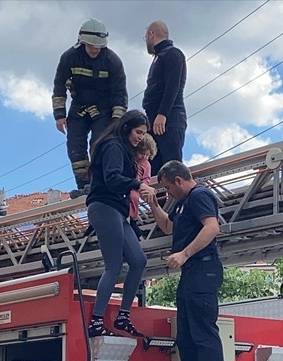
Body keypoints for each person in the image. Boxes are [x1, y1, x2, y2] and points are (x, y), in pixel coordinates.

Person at [148, 161, 227, 361]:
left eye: (168, 188)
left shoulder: (199, 195)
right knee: (186, 335)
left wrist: (184, 254)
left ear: (179, 180)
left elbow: (212, 227)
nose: (168, 193)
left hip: (203, 268)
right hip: (192, 273)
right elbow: (168, 227)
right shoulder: (183, 204)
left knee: (203, 332)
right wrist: (153, 205)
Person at [86, 110, 152, 339]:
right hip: (105, 206)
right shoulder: (113, 147)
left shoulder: (121, 148)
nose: (140, 138)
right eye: (138, 132)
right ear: (126, 128)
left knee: (138, 260)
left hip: (117, 210)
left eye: (143, 134)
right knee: (113, 265)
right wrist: (138, 185)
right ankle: (96, 320)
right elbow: (112, 178)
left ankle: (123, 315)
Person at [53, 19, 128, 196]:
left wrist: (117, 121)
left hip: (104, 110)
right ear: (82, 42)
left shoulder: (112, 61)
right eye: (92, 46)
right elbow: (59, 86)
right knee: (74, 145)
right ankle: (83, 185)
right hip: (79, 107)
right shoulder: (69, 58)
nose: (95, 50)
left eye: (98, 47)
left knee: (99, 145)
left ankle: (97, 182)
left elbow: (120, 94)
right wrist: (59, 115)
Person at [143, 21, 187, 175]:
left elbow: (172, 86)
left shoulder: (172, 54)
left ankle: (179, 200)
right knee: (155, 169)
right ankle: (160, 200)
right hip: (155, 121)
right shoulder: (159, 57)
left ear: (151, 34)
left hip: (170, 119)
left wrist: (163, 114)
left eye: (145, 37)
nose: (146, 41)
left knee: (172, 167)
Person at [128, 134, 158, 234]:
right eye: (141, 153)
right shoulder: (130, 160)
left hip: (136, 187)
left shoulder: (147, 164)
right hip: (127, 184)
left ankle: (133, 219)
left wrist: (142, 185)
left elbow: (146, 178)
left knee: (134, 197)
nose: (144, 157)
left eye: (147, 155)